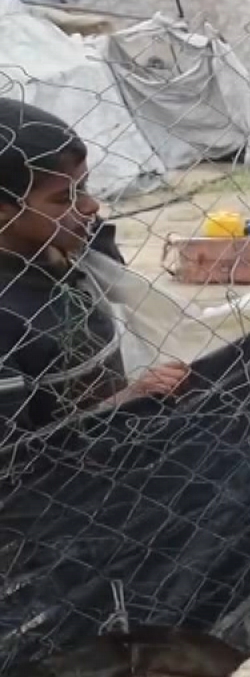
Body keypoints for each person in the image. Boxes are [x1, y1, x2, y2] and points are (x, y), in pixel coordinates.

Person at [2, 97, 187, 433]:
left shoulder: (83, 244)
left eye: (83, 187)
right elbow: (17, 462)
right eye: (64, 198)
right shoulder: (9, 315)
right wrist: (120, 404)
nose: (90, 206)